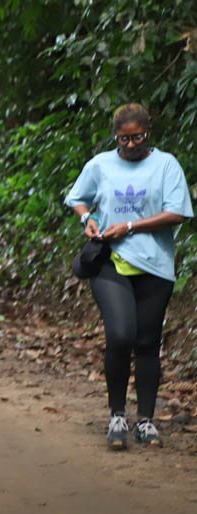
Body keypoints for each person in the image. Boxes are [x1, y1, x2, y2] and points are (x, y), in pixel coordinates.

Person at [65, 103, 193, 449]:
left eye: (137, 137)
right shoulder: (101, 164)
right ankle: (117, 415)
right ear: (115, 136)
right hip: (111, 262)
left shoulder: (166, 165)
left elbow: (178, 213)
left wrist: (132, 225)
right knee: (121, 336)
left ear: (147, 133)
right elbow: (76, 198)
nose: (131, 144)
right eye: (124, 138)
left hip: (155, 265)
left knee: (148, 342)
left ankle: (147, 421)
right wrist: (86, 218)